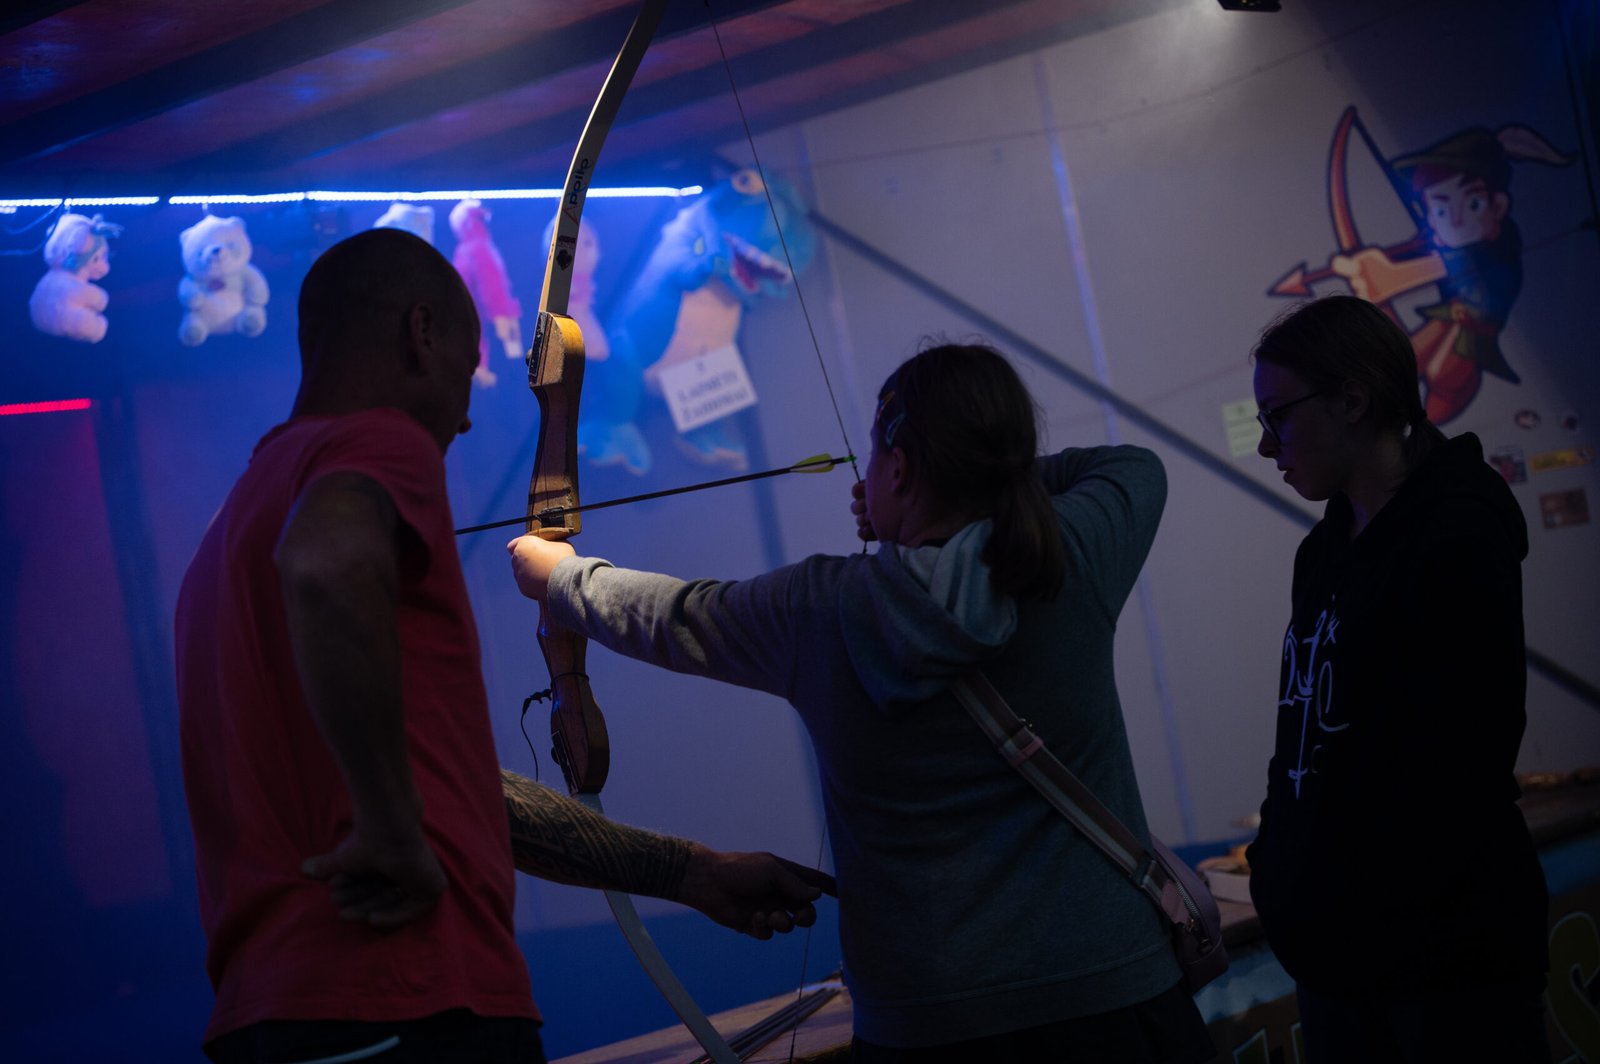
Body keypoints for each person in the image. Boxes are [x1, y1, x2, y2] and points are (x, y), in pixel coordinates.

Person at [174, 228, 830, 1064]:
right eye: (467, 364)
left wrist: (690, 873)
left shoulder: (226, 532)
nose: (467, 413)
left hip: (277, 1016)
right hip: (409, 992)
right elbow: (327, 562)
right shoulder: (374, 442)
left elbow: (454, 788)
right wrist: (390, 828)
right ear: (421, 332)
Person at [509, 342, 1215, 1062]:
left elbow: (676, 616)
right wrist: (976, 483)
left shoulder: (820, 610)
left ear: (900, 468)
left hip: (930, 1029)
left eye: (879, 461)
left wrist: (561, 577)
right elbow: (1131, 467)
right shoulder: (1072, 555)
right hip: (1125, 1006)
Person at [1243, 295, 1550, 1061]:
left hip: (1447, 961)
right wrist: (1278, 873)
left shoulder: (1457, 529)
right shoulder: (1322, 552)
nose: (1265, 445)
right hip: (1339, 965)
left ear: (1353, 400)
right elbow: (1299, 735)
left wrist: (1341, 900)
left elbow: (1464, 759)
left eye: (1277, 416)